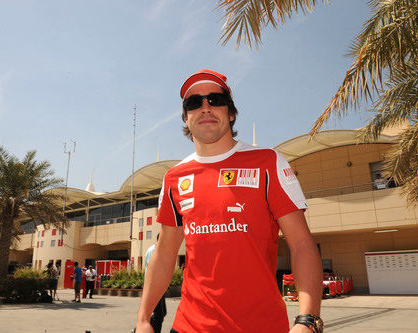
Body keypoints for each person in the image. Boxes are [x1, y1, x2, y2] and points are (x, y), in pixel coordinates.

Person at [136, 69, 324, 333]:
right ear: (186, 118)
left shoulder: (268, 162)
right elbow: (165, 252)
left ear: (231, 112)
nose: (205, 108)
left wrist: (308, 320)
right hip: (189, 326)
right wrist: (143, 319)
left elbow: (302, 244)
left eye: (215, 100)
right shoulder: (174, 178)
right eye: (194, 103)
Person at [144, 234, 167, 333]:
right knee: (159, 315)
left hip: (159, 287)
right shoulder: (154, 250)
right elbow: (152, 269)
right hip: (153, 287)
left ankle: (145, 328)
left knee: (162, 313)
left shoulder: (159, 250)